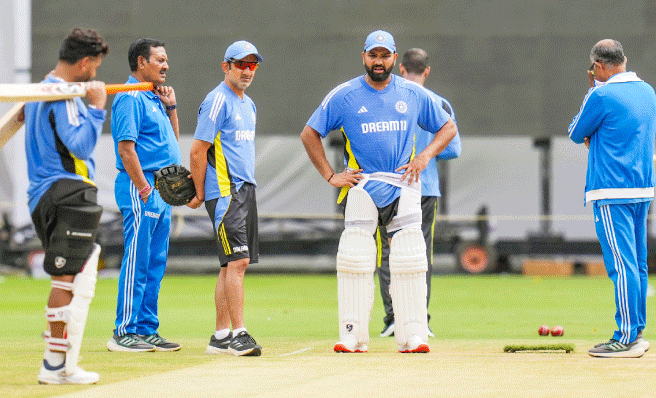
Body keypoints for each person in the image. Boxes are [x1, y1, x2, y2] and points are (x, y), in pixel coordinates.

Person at [301, 30, 457, 354]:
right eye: (373, 55)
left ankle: (413, 334)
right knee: (355, 259)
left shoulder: (413, 93)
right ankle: (352, 334)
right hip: (363, 185)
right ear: (363, 57)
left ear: (395, 58)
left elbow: (448, 127)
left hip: (403, 187)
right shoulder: (344, 95)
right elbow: (309, 133)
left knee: (410, 259)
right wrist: (331, 175)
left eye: (385, 56)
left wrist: (425, 157)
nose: (378, 61)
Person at [27, 28, 108, 384]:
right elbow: (79, 145)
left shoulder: (39, 90)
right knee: (68, 275)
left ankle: (62, 362)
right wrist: (97, 109)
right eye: (96, 66)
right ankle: (55, 365)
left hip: (44, 195)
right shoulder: (62, 95)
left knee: (79, 268)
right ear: (86, 62)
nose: (95, 74)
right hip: (67, 190)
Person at [569, 39, 656, 358]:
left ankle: (626, 337)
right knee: (637, 264)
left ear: (599, 67)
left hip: (610, 188)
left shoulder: (601, 93)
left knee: (620, 265)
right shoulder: (648, 90)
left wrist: (591, 90)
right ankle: (638, 331)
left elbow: (576, 132)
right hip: (642, 187)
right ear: (624, 59)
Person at [378, 48, 461, 338]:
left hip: (389, 187)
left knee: (387, 254)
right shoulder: (439, 103)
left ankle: (392, 318)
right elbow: (453, 148)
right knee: (420, 255)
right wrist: (427, 154)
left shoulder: (388, 99)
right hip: (425, 188)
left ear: (400, 68)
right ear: (427, 71)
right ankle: (419, 319)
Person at [189, 40, 264, 357]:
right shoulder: (217, 100)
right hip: (225, 191)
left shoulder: (248, 105)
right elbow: (198, 150)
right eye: (240, 64)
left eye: (252, 65)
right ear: (226, 66)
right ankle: (239, 333)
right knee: (239, 261)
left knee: (229, 264)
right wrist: (199, 192)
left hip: (245, 188)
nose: (246, 70)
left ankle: (220, 336)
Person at [107, 38, 182, 352]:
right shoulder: (130, 97)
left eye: (166, 60)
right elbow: (127, 150)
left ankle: (147, 329)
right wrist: (144, 189)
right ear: (141, 62)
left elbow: (172, 145)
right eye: (159, 60)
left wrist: (172, 108)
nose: (165, 65)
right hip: (142, 187)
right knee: (137, 259)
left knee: (155, 262)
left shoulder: (154, 98)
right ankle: (123, 332)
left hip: (160, 188)